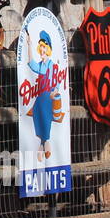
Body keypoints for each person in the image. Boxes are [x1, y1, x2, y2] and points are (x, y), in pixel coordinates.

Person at [27, 30, 64, 161]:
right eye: (40, 47)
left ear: (48, 49)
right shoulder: (41, 64)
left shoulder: (51, 65)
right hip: (40, 97)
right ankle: (43, 143)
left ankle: (45, 143)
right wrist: (29, 46)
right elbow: (32, 65)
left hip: (48, 97)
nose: (42, 50)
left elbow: (57, 79)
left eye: (44, 47)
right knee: (37, 115)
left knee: (46, 118)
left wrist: (55, 90)